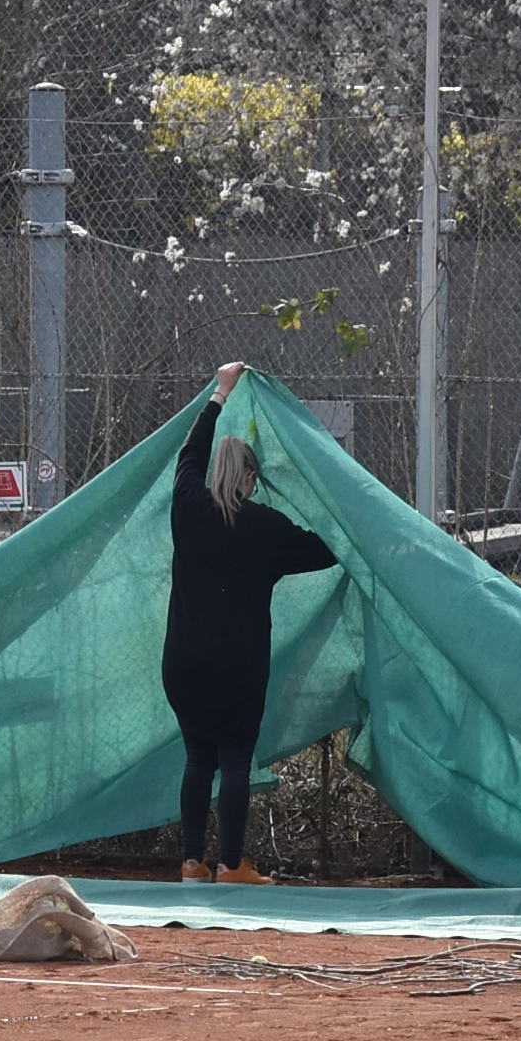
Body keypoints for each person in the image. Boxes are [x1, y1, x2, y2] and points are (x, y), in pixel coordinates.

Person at [164, 364, 338, 883]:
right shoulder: (265, 527)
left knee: (198, 758)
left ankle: (191, 863)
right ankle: (231, 863)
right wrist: (327, 499)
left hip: (184, 662)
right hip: (239, 665)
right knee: (236, 758)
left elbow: (189, 453)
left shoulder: (187, 506)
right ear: (247, 478)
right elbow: (327, 549)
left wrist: (220, 393)